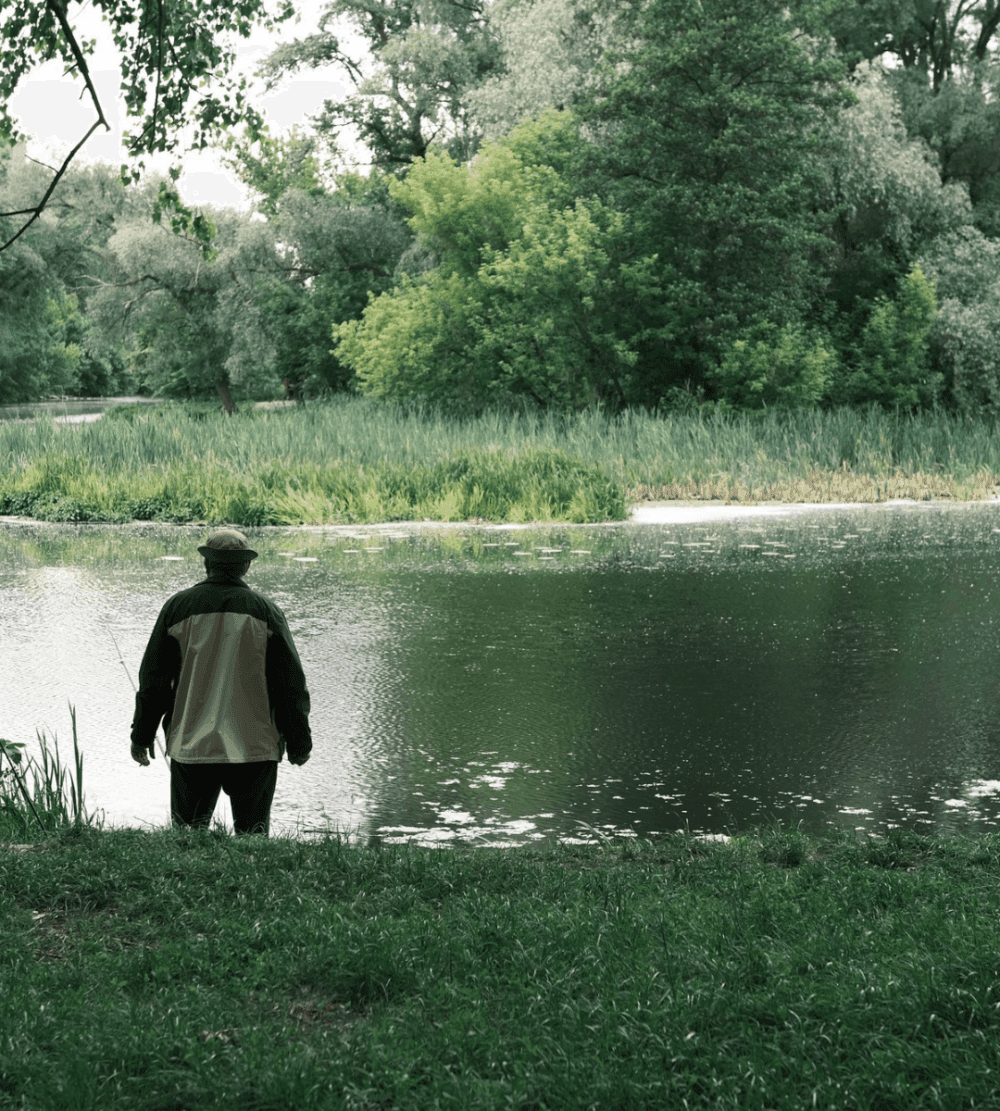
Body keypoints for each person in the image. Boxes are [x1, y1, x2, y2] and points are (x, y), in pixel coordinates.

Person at [129, 528, 312, 835]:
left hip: (192, 745)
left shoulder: (177, 608)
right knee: (252, 838)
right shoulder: (267, 612)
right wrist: (299, 742)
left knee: (188, 837)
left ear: (207, 564)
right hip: (254, 748)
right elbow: (290, 685)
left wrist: (141, 736)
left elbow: (154, 682)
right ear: (246, 566)